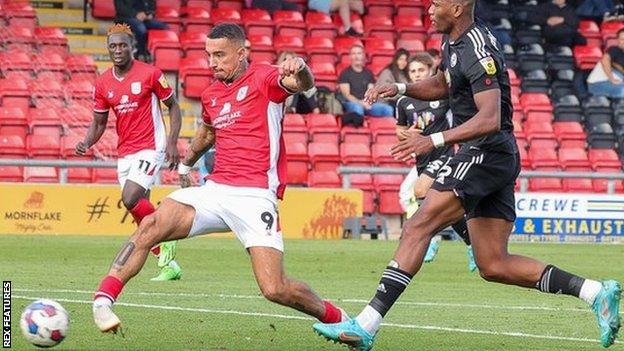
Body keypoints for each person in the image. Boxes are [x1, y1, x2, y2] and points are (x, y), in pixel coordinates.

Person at [313, 0, 621, 349]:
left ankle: (366, 323)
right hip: (491, 155)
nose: (429, 8)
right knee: (493, 263)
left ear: (457, 8)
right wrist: (399, 89)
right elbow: (445, 82)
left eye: (437, 3)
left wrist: (433, 139)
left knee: (418, 225)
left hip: (486, 152)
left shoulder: (478, 48)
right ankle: (596, 292)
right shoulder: (453, 41)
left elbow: (489, 117)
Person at [92, 23, 349, 335]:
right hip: (214, 190)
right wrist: (186, 166)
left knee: (274, 288)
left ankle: (339, 320)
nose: (212, 62)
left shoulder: (265, 78)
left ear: (241, 54)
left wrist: (302, 67)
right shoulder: (211, 93)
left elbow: (302, 83)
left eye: (219, 55)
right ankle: (103, 300)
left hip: (254, 194)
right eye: (208, 55)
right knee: (151, 225)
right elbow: (207, 134)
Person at [76, 23, 183, 282]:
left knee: (130, 197)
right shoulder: (102, 83)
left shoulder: (151, 73)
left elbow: (174, 107)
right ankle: (169, 265)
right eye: (113, 46)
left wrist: (171, 142)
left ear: (132, 46)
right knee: (139, 215)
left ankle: (167, 238)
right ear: (108, 49)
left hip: (151, 146)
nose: (118, 50)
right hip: (125, 152)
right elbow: (99, 123)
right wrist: (87, 142)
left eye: (123, 45)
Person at [396, 53, 476, 270]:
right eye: (413, 71)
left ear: (431, 71)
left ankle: (431, 238)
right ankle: (472, 244)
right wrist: (406, 134)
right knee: (440, 205)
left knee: (419, 190)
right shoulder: (404, 101)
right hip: (422, 160)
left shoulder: (444, 96)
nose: (417, 74)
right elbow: (400, 130)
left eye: (421, 70)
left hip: (444, 154)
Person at [338, 45, 394, 118]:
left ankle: (384, 129)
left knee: (388, 109)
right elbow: (347, 95)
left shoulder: (368, 73)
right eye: (353, 54)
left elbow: (370, 91)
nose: (356, 56)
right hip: (351, 103)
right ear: (350, 56)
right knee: (358, 108)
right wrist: (360, 103)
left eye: (359, 53)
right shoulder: (344, 73)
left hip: (367, 103)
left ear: (363, 56)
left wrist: (367, 102)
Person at [588, 28, 624, 98]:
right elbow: (605, 60)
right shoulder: (614, 50)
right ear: (618, 41)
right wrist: (611, 78)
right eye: (622, 39)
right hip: (598, 83)